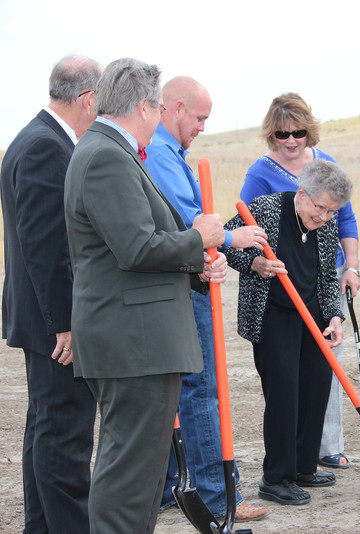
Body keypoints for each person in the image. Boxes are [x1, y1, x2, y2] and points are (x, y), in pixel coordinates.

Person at [63, 57, 227, 534]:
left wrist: (197, 263)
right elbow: (136, 247)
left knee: (142, 472)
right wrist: (199, 238)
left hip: (138, 341)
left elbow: (137, 245)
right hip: (132, 344)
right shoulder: (106, 156)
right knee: (128, 476)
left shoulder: (111, 150)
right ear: (145, 106)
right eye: (157, 109)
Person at [145, 76, 268, 522]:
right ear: (175, 108)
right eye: (199, 118)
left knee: (174, 390)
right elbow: (187, 225)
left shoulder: (167, 152)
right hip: (185, 287)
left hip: (183, 280)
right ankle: (218, 499)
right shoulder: (159, 154)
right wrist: (232, 237)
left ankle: (165, 489)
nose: (202, 127)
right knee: (201, 392)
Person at [0, 54, 102, 534]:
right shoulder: (47, 147)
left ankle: (40, 527)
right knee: (63, 438)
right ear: (87, 98)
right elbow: (45, 247)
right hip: (54, 326)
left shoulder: (32, 138)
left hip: (40, 319)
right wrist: (66, 322)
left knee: (44, 429)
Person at [240, 92, 360, 470]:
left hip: (319, 286)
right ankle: (282, 471)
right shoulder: (262, 180)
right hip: (278, 296)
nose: (291, 140)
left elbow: (344, 228)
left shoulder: (326, 188)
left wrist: (350, 270)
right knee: (285, 386)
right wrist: (256, 262)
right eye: (282, 134)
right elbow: (238, 232)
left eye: (298, 133)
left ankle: (314, 457)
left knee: (318, 376)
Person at [225, 159, 350, 505]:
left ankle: (303, 467)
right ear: (302, 193)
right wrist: (256, 263)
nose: (324, 217)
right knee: (284, 395)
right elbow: (226, 243)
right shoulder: (265, 208)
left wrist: (335, 317)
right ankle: (276, 477)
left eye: (331, 211)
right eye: (320, 208)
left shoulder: (326, 222)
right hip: (274, 315)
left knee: (315, 389)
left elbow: (326, 275)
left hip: (312, 315)